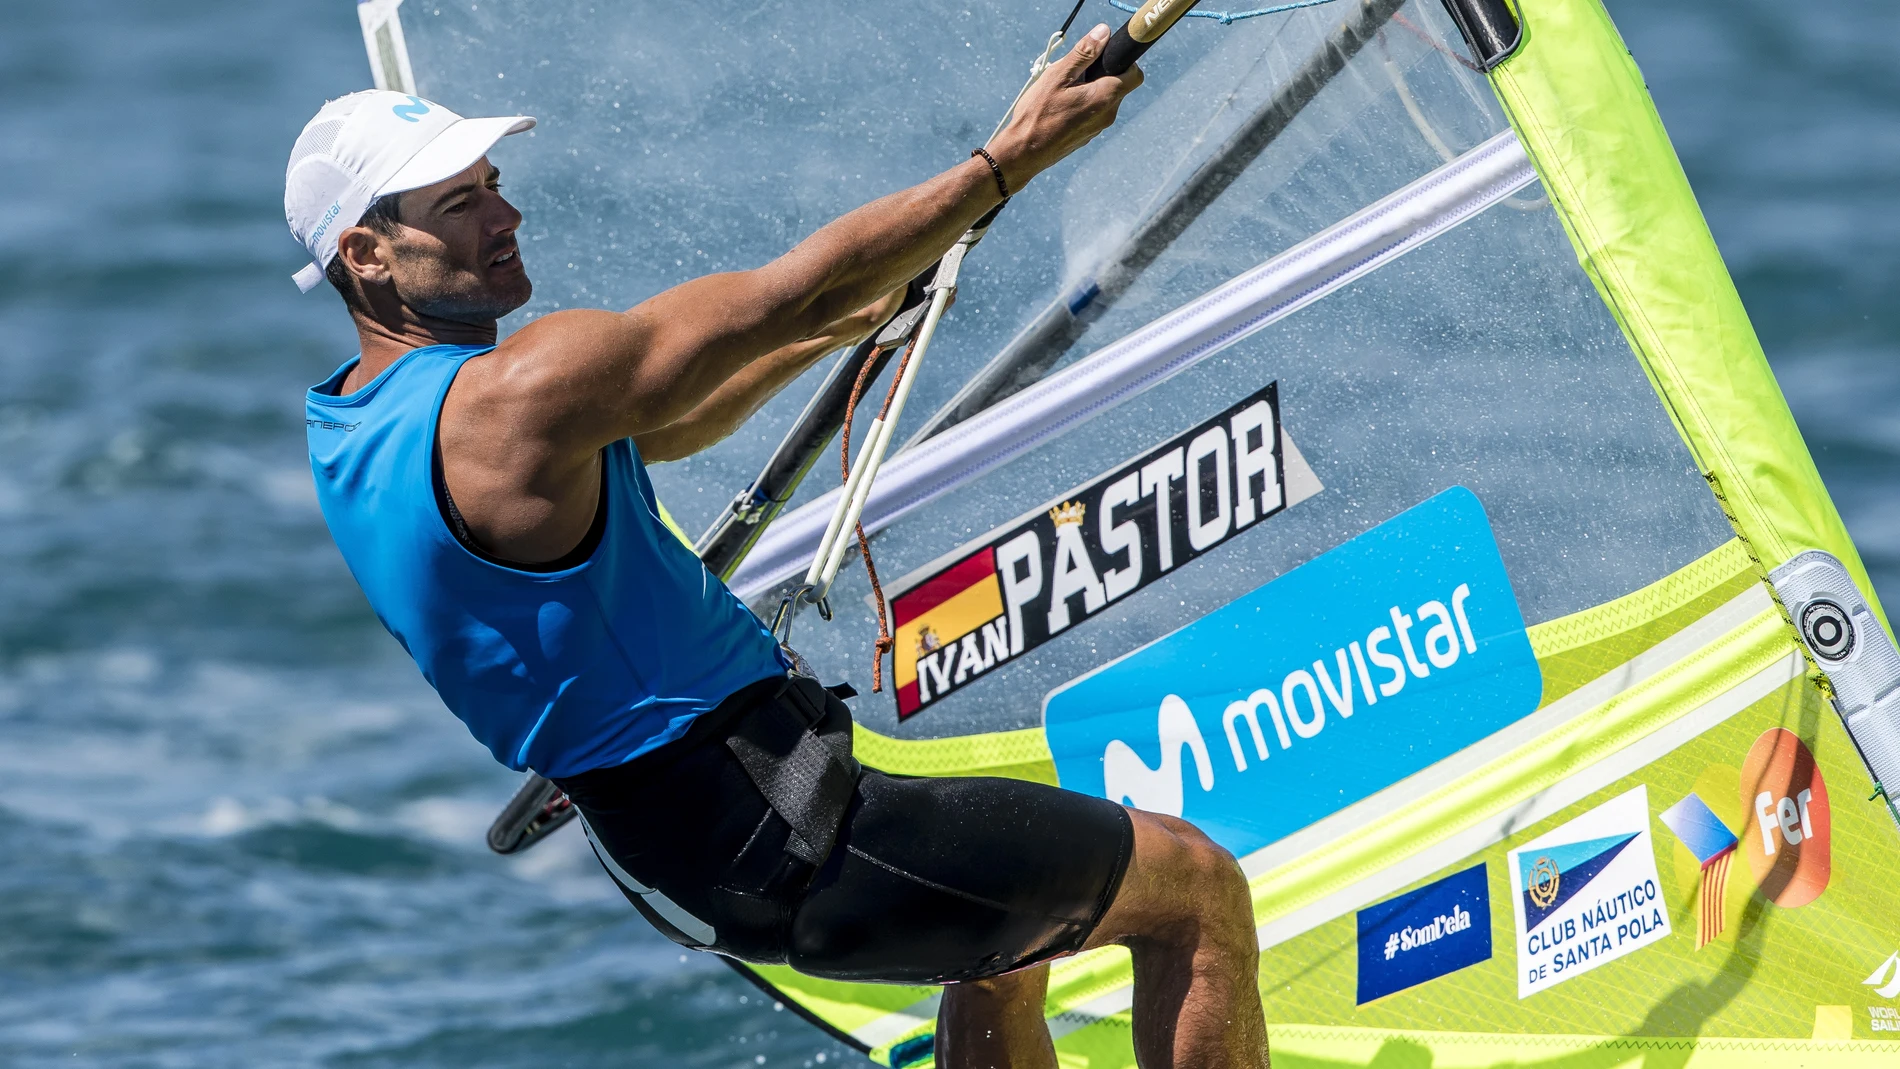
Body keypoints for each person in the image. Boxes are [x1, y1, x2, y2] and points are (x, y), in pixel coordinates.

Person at [290, 25, 1267, 1069]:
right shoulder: (516, 390)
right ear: (364, 253)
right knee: (1195, 889)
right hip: (779, 827)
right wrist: (1006, 163)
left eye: (492, 183)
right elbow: (784, 291)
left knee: (1000, 937)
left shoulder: (356, 427)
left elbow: (664, 424)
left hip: (680, 853)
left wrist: (833, 331)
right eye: (459, 205)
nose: (505, 216)